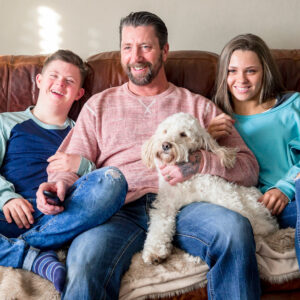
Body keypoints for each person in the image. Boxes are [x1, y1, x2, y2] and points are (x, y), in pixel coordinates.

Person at [41, 12, 261, 299]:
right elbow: (67, 163)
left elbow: (248, 168)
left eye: (146, 47)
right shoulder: (99, 105)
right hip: (119, 209)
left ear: (164, 51)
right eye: (128, 48)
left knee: (234, 229)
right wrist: (58, 183)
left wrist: (201, 162)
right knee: (84, 259)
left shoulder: (198, 106)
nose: (136, 57)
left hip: (187, 205)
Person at [0, 49, 127, 293]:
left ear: (79, 94)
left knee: (114, 181)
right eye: (54, 76)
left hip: (61, 216)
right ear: (38, 81)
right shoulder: (7, 122)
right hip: (8, 214)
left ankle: (23, 248)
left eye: (69, 81)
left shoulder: (83, 130)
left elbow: (102, 176)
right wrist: (7, 197)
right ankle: (34, 257)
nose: (60, 83)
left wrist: (80, 165)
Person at [210, 33, 300, 266]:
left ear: (265, 72)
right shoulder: (213, 119)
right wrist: (206, 137)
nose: (241, 79)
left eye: (251, 70)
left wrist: (286, 187)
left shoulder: (293, 106)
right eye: (232, 71)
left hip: (293, 197)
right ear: (223, 74)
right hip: (254, 210)